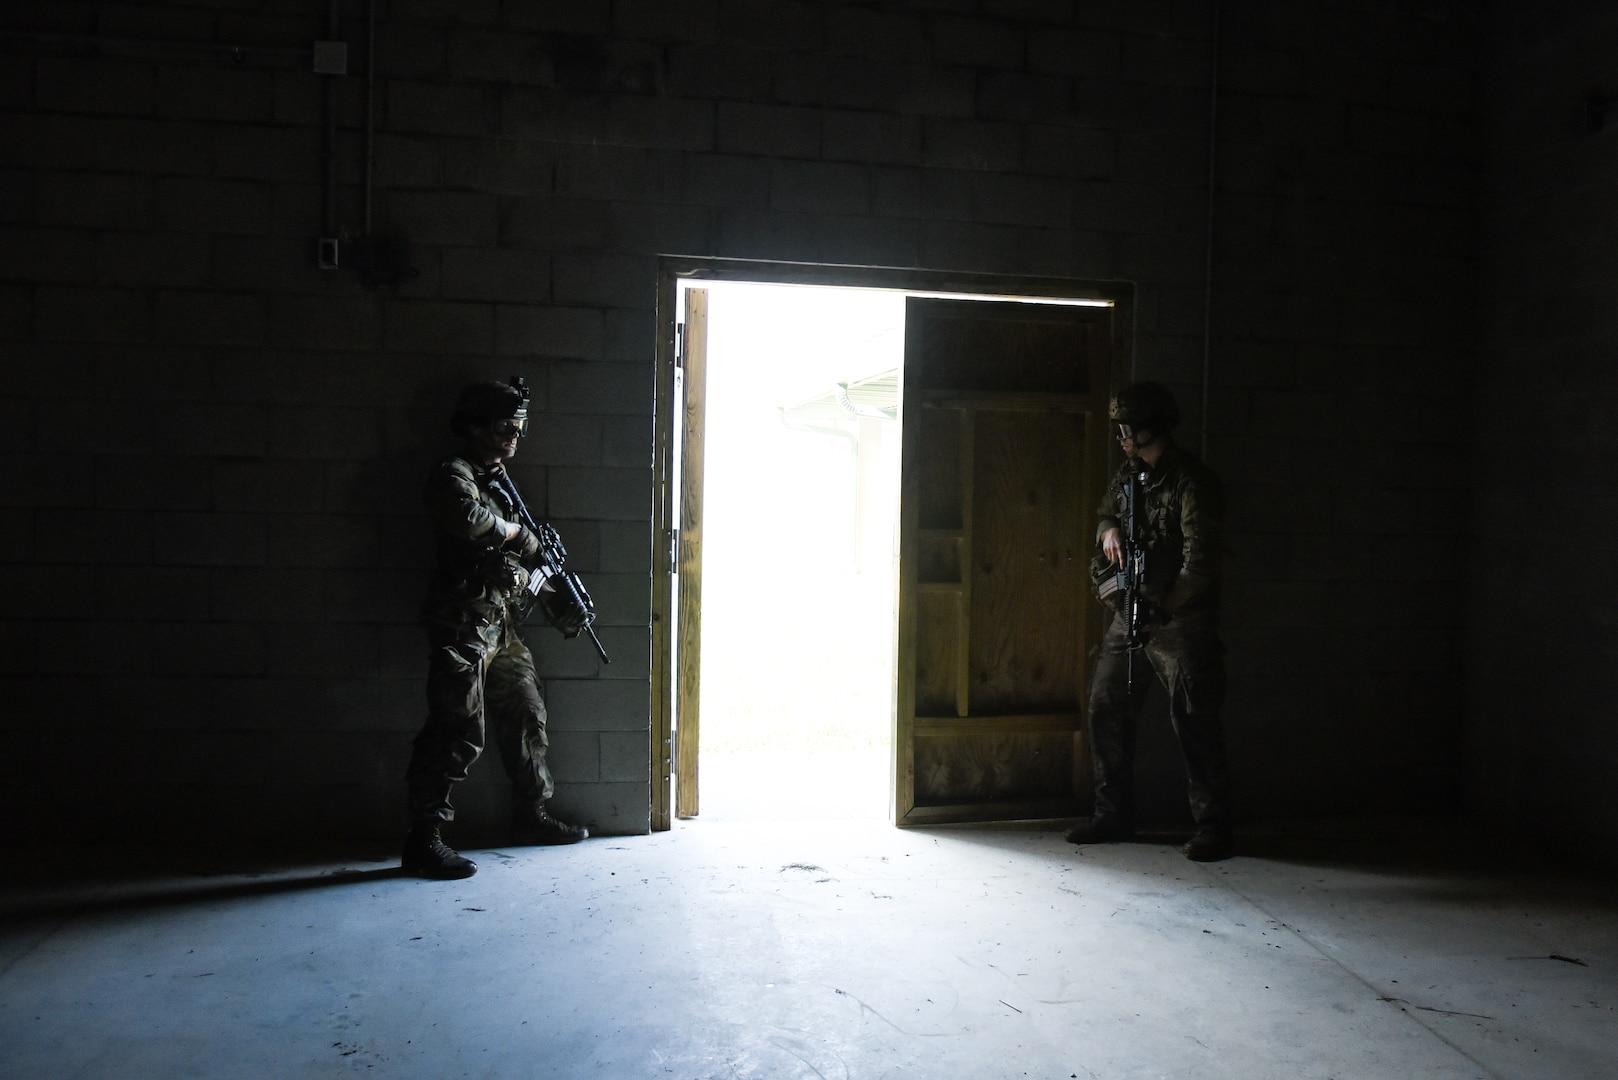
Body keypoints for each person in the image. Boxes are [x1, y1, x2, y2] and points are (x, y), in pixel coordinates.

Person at [401, 378, 589, 880]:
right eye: (506, 427)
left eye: (519, 428)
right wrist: (518, 535)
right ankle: (424, 838)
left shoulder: (502, 481)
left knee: (527, 713)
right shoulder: (455, 475)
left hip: (500, 625)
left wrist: (554, 595)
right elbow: (469, 520)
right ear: (476, 426)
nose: (515, 437)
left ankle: (531, 816)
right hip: (461, 622)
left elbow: (517, 560)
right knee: (457, 728)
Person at [1067, 381, 1235, 862]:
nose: (1120, 436)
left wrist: (1163, 610)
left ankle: (1213, 826)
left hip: (1180, 619)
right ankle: (1112, 815)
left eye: (1127, 428)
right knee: (1105, 704)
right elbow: (1102, 515)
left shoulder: (1191, 482)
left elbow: (1201, 564)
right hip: (1131, 610)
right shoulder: (1129, 475)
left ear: (1151, 429)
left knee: (1194, 719)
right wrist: (1111, 530)